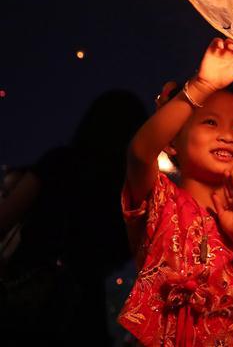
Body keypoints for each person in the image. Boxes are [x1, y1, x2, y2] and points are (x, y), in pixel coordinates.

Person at [118, 38, 233, 345]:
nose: (226, 135)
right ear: (173, 142)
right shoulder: (159, 198)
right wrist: (202, 85)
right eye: (210, 122)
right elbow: (140, 153)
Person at [0, 90, 147, 346]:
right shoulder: (128, 192)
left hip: (27, 290)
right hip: (84, 306)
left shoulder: (58, 162)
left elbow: (6, 218)